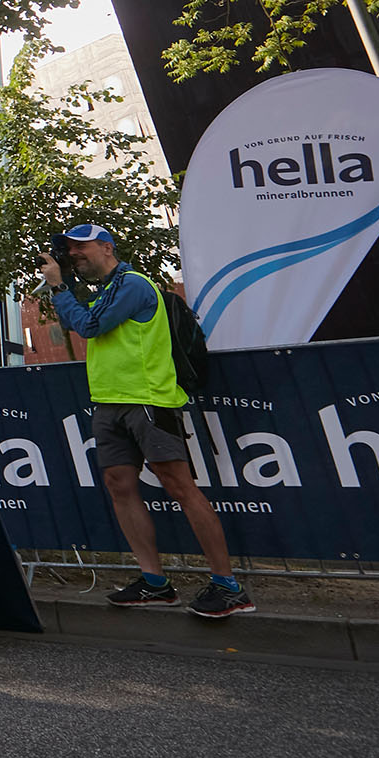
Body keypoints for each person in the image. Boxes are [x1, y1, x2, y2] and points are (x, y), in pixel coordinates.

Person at [42, 223, 253, 617]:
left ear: (107, 247)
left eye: (80, 247)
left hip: (148, 400)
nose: (73, 255)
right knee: (119, 485)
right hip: (109, 401)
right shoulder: (106, 290)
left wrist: (58, 287)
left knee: (180, 486)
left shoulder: (133, 283)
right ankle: (155, 583)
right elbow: (76, 321)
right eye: (68, 250)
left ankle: (229, 586)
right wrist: (64, 288)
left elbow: (88, 325)